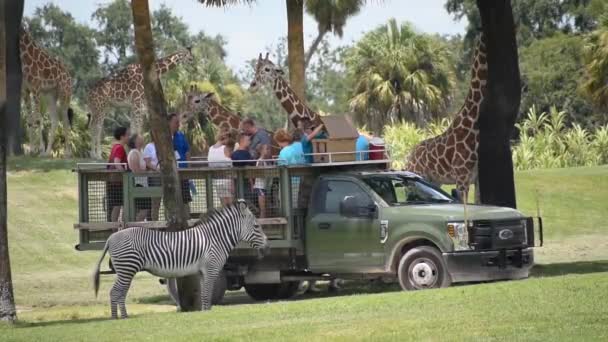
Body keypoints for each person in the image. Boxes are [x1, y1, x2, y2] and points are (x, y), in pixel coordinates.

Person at [169, 113, 192, 215]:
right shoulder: (163, 137)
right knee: (172, 200)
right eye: (176, 122)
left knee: (185, 200)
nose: (178, 124)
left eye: (178, 122)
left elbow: (187, 152)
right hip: (170, 175)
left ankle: (188, 222)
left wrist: (189, 168)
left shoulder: (181, 136)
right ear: (168, 123)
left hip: (183, 173)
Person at [107, 126, 129, 222]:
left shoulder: (115, 147)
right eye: (127, 135)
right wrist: (125, 174)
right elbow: (117, 162)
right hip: (118, 182)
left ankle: (115, 229)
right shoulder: (119, 148)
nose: (129, 137)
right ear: (122, 136)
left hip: (114, 181)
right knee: (118, 206)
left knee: (117, 205)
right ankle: (115, 230)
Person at [127, 133, 150, 221]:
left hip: (144, 183)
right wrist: (147, 172)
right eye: (139, 138)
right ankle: (135, 227)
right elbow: (136, 170)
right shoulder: (134, 153)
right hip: (138, 184)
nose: (142, 139)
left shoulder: (141, 151)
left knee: (145, 208)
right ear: (135, 141)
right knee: (143, 209)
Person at [208, 130, 233, 206]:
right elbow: (230, 166)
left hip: (217, 181)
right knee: (231, 205)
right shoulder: (225, 148)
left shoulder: (211, 148)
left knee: (224, 205)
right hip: (227, 180)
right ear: (225, 137)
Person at [142, 140, 161, 221]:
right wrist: (157, 169)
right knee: (155, 202)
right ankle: (155, 225)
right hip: (155, 176)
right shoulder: (149, 146)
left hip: (166, 175)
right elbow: (147, 162)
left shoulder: (166, 144)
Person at [254, 144, 272, 218]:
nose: (268, 151)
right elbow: (259, 173)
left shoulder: (265, 161)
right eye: (266, 149)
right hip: (260, 187)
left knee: (266, 208)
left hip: (265, 186)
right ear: (261, 151)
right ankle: (262, 225)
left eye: (268, 149)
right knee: (263, 209)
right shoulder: (260, 161)